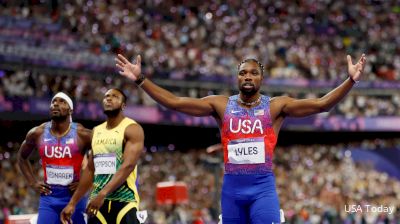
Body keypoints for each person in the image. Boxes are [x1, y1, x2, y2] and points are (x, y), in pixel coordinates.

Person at [115, 53, 366, 223]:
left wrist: (350, 81)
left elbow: (321, 105)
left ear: (261, 78)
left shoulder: (276, 107)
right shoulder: (221, 105)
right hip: (232, 190)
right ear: (237, 78)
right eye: (243, 72)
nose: (248, 76)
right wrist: (140, 79)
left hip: (262, 190)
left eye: (253, 73)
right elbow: (175, 102)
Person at [61, 88, 145, 224]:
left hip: (124, 201)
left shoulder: (132, 128)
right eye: (106, 96)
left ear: (123, 105)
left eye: (115, 96)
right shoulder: (96, 131)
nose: (109, 99)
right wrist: (72, 203)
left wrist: (103, 194)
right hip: (97, 204)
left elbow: (128, 165)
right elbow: (90, 169)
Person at [17, 92, 92, 224]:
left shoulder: (82, 134)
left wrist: (87, 183)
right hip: (49, 198)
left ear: (71, 110)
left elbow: (104, 156)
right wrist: (32, 182)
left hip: (75, 197)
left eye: (62, 101)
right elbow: (22, 158)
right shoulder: (37, 133)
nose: (56, 104)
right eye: (54, 101)